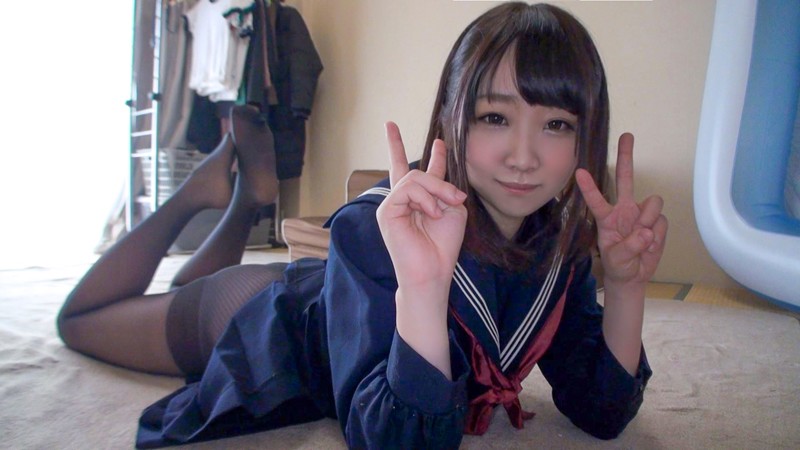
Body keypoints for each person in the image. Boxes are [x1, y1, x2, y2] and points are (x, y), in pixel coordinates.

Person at [57, 2, 667, 448]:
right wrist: (423, 288)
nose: (524, 156)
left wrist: (626, 288)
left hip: (325, 296)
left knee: (178, 286)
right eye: (494, 117)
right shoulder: (379, 225)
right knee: (80, 320)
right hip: (269, 325)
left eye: (556, 124)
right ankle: (195, 195)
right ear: (450, 118)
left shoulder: (559, 246)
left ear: (586, 133)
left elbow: (602, 413)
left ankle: (238, 200)